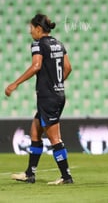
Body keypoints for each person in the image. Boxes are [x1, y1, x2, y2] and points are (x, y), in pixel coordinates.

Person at [5, 14, 74, 185]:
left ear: (38, 28)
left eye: (31, 29)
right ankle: (30, 173)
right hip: (58, 94)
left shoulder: (37, 44)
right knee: (35, 131)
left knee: (54, 138)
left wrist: (15, 84)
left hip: (48, 97)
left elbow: (36, 66)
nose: (30, 32)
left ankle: (66, 176)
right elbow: (68, 68)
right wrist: (56, 83)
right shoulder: (59, 44)